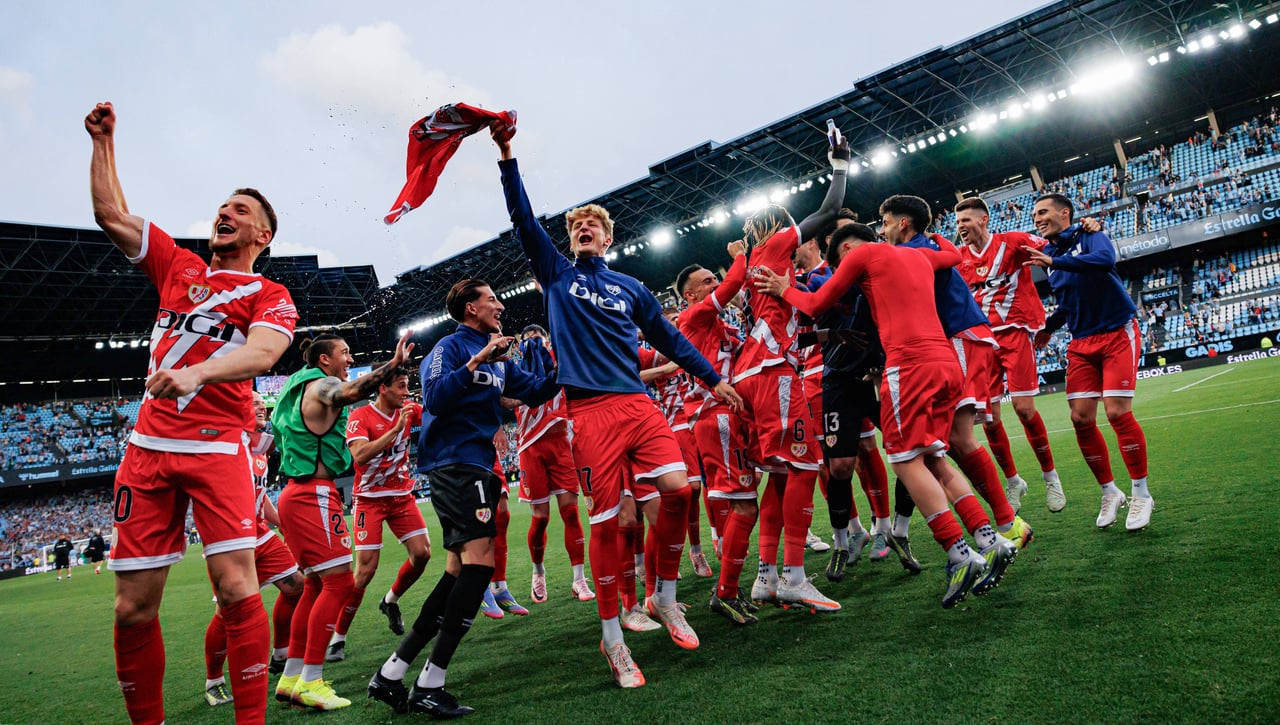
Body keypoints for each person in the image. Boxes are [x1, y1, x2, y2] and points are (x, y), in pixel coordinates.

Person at [490, 118, 742, 688]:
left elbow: (670, 339)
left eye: (593, 226)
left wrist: (711, 378)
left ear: (608, 239)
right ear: (570, 239)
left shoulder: (631, 287)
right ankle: (613, 641)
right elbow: (523, 219)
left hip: (637, 403)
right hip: (589, 413)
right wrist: (507, 155)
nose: (584, 229)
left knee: (679, 490)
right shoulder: (556, 274)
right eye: (577, 225)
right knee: (608, 524)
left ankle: (664, 597)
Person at [88, 101, 298, 725]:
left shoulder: (269, 293)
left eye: (241, 210)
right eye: (222, 207)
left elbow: (265, 352)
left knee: (237, 589)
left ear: (262, 236)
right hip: (147, 452)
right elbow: (110, 214)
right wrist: (103, 142)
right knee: (131, 608)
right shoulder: (178, 267)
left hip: (216, 449)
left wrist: (198, 372)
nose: (225, 213)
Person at [755, 221, 998, 608]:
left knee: (904, 461)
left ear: (847, 250)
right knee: (933, 457)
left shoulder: (863, 256)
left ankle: (958, 552)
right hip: (944, 362)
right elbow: (952, 255)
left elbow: (815, 305)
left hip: (907, 366)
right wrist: (937, 236)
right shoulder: (918, 255)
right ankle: (989, 538)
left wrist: (784, 289)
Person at [367, 279, 559, 716]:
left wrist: (564, 357)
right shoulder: (449, 348)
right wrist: (477, 359)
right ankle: (430, 683)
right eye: (492, 299)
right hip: (453, 463)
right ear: (471, 308)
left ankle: (392, 673)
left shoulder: (500, 357)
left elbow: (536, 390)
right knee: (479, 566)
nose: (500, 306)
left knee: (457, 571)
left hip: (479, 464)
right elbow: (435, 397)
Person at [737, 130, 849, 614]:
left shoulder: (751, 264)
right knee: (805, 465)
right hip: (773, 372)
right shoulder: (777, 244)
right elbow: (829, 211)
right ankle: (795, 577)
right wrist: (840, 165)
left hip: (753, 371)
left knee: (781, 475)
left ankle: (765, 576)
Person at [271, 331, 414, 710]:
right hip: (313, 494)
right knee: (339, 583)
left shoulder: (295, 387)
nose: (350, 360)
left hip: (295, 493)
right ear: (325, 360)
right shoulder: (323, 385)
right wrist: (393, 364)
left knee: (315, 585)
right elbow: (350, 392)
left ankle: (291, 677)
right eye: (345, 353)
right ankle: (312, 680)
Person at [1026, 194, 1154, 531]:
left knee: (1117, 413)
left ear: (1064, 212)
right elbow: (1069, 300)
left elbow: (1104, 260)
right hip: (1081, 341)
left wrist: (1055, 262)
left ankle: (1141, 493)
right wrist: (1049, 327)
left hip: (1116, 332)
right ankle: (1110, 492)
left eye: (1043, 212)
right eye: (1034, 214)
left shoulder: (1090, 234)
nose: (1037, 218)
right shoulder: (1049, 254)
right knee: (1080, 418)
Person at [954, 197, 1065, 514]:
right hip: (981, 342)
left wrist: (1086, 231)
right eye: (957, 222)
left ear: (983, 220)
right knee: (989, 420)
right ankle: (1013, 480)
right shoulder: (958, 259)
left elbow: (1055, 247)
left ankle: (1050, 477)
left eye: (966, 220)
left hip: (1015, 332)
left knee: (1025, 409)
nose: (961, 227)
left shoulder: (1013, 243)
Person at [204, 392, 306, 708]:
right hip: (230, 538)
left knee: (297, 586)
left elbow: (260, 498)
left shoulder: (259, 451)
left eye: (263, 403)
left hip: (259, 533)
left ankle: (280, 654)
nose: (262, 406)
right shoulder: (227, 444)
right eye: (254, 402)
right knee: (228, 611)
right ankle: (213, 681)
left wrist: (283, 524)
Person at [325, 366, 432, 663]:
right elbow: (359, 455)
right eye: (401, 386)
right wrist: (396, 429)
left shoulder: (409, 410)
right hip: (369, 500)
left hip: (401, 497)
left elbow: (438, 415)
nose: (406, 392)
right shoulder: (360, 417)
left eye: (407, 385)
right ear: (383, 389)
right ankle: (338, 637)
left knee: (422, 554)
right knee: (365, 570)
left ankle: (390, 600)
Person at [509, 326, 592, 605]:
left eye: (539, 338)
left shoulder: (561, 364)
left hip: (561, 445)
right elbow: (502, 400)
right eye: (528, 340)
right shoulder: (515, 371)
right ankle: (538, 572)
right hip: (530, 447)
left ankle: (579, 579)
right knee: (541, 518)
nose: (534, 344)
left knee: (570, 512)